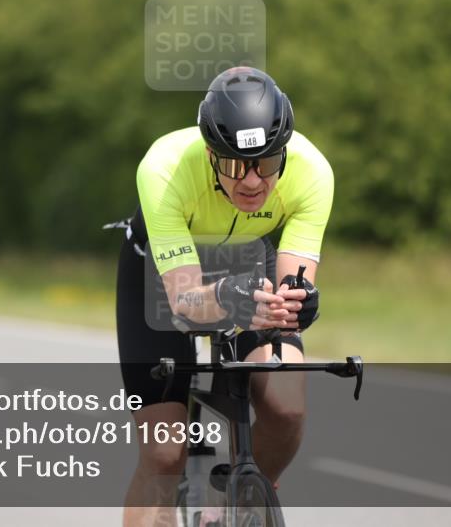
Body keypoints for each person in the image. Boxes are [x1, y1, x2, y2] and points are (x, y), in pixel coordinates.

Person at [115, 66, 334, 526]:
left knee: (287, 407)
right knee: (163, 452)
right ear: (211, 154)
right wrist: (228, 296)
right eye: (235, 165)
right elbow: (184, 300)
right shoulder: (164, 168)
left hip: (249, 261)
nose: (252, 182)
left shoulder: (314, 172)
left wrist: (298, 302)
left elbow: (292, 286)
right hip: (163, 273)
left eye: (268, 164)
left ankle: (241, 501)